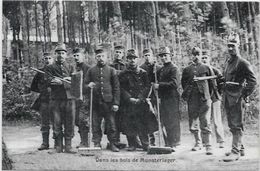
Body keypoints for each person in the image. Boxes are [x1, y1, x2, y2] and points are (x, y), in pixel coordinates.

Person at [222, 33, 256, 162]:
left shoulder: (243, 63)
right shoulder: (229, 61)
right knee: (232, 124)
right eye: (228, 46)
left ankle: (235, 152)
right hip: (228, 97)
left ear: (238, 46)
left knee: (236, 124)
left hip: (237, 98)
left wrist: (243, 94)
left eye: (233, 46)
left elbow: (253, 82)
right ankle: (240, 148)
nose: (230, 48)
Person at [119, 49, 157, 151]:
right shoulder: (123, 74)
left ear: (138, 59)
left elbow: (147, 86)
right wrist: (129, 98)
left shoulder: (143, 73)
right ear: (127, 60)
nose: (132, 60)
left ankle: (145, 143)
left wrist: (140, 98)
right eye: (130, 58)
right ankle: (132, 144)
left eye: (134, 58)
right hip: (128, 102)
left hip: (141, 102)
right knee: (129, 123)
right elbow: (121, 88)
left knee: (142, 123)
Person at [84, 46, 120, 152]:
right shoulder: (91, 70)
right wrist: (88, 85)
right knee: (95, 125)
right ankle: (96, 143)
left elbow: (117, 88)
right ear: (95, 57)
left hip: (109, 103)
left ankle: (112, 143)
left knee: (111, 124)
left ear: (107, 57)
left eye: (102, 56)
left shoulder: (112, 70)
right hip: (95, 103)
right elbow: (84, 85)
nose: (100, 58)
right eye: (98, 56)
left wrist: (116, 103)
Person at [181, 46, 213, 155]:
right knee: (193, 120)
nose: (196, 57)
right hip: (192, 99)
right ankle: (198, 142)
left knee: (205, 120)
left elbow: (212, 84)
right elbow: (183, 83)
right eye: (194, 54)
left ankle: (208, 144)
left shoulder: (206, 68)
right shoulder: (187, 69)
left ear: (200, 55)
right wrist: (188, 94)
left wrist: (208, 96)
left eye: (198, 54)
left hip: (204, 98)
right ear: (191, 56)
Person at [45, 44, 76, 153]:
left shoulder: (71, 67)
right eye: (58, 53)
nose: (60, 55)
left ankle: (68, 146)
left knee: (69, 122)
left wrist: (63, 81)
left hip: (69, 99)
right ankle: (58, 146)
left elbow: (75, 82)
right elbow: (49, 81)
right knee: (56, 122)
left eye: (63, 53)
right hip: (56, 99)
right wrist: (66, 81)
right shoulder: (50, 67)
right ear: (55, 55)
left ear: (66, 55)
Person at [153, 47, 181, 151]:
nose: (163, 58)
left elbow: (174, 83)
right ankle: (168, 142)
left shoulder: (174, 68)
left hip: (172, 97)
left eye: (165, 55)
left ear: (170, 56)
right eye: (162, 56)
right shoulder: (161, 69)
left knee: (172, 120)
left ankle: (174, 142)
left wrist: (159, 85)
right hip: (163, 98)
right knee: (165, 120)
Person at [201, 50, 225, 148]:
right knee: (206, 120)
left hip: (214, 97)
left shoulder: (215, 70)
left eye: (205, 57)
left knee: (217, 119)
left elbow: (222, 82)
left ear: (209, 59)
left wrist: (219, 93)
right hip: (204, 99)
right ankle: (207, 142)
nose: (204, 60)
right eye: (202, 58)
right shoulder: (200, 72)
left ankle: (221, 141)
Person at [30, 52, 54, 150]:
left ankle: (58, 143)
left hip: (56, 100)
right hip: (44, 101)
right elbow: (33, 87)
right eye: (46, 58)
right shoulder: (39, 73)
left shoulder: (57, 71)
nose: (47, 60)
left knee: (57, 122)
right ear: (43, 60)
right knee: (45, 122)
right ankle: (45, 143)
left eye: (49, 58)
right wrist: (43, 90)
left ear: (53, 59)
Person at [107, 44, 127, 150]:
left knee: (125, 118)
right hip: (113, 96)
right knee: (112, 119)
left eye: (120, 52)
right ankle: (114, 141)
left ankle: (133, 141)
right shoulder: (109, 66)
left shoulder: (126, 66)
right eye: (116, 52)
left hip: (124, 96)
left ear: (123, 54)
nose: (118, 54)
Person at [140, 48, 160, 146]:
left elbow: (159, 80)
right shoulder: (141, 68)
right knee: (148, 117)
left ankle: (164, 139)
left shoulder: (156, 67)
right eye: (145, 55)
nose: (147, 57)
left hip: (156, 95)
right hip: (146, 96)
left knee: (159, 116)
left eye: (149, 55)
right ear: (143, 57)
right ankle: (150, 140)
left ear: (152, 56)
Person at [72, 48, 91, 148]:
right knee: (77, 120)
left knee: (83, 120)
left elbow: (90, 83)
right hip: (75, 98)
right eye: (74, 56)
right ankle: (82, 140)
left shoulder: (88, 68)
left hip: (85, 98)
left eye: (78, 55)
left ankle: (86, 142)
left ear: (83, 56)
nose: (76, 58)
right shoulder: (74, 68)